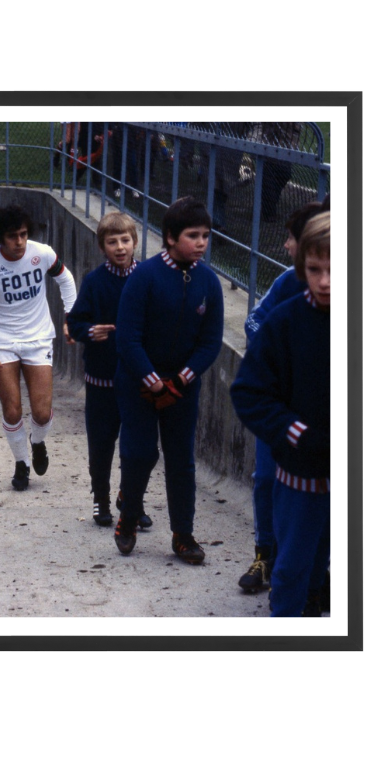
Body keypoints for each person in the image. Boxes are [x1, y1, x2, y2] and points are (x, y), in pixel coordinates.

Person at [112, 196, 224, 563]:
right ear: (171, 237)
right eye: (193, 235)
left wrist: (178, 382)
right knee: (140, 452)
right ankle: (128, 517)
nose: (201, 243)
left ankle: (183, 535)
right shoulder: (144, 276)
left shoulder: (209, 282)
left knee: (181, 460)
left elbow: (210, 342)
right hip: (137, 383)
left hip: (182, 389)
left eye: (206, 235)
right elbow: (128, 338)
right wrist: (154, 382)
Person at [230, 211, 331, 618]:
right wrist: (295, 432)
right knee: (290, 570)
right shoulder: (285, 321)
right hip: (301, 476)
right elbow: (249, 393)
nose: (325, 282)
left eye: (335, 270)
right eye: (314, 270)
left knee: (319, 566)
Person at [0, 204, 77, 490]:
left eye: (23, 234)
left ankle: (38, 442)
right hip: (1, 342)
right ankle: (21, 463)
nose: (20, 241)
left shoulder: (42, 253)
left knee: (41, 412)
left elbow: (66, 279)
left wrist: (71, 317)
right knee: (12, 410)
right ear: (1, 237)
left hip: (38, 339)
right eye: (13, 236)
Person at [67, 212, 151, 529]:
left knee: (139, 448)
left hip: (139, 378)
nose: (120, 247)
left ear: (135, 242)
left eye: (125, 240)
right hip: (101, 379)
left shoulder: (146, 277)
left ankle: (131, 500)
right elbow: (75, 322)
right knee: (101, 444)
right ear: (102, 246)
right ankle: (100, 498)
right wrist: (90, 331)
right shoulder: (94, 281)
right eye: (112, 242)